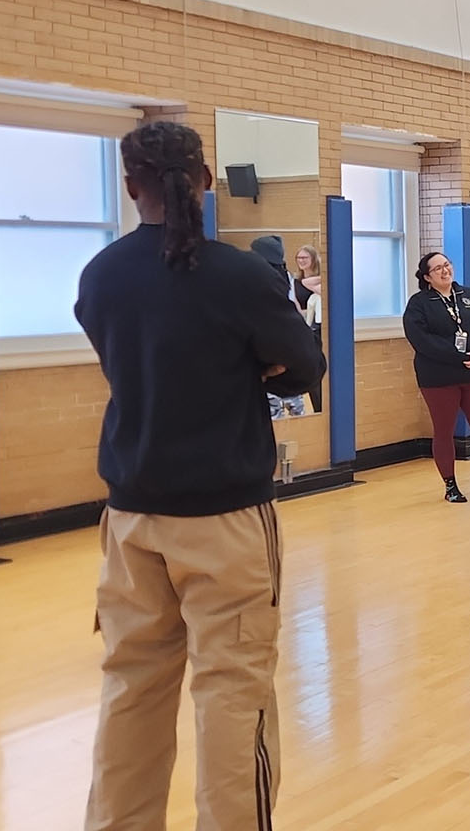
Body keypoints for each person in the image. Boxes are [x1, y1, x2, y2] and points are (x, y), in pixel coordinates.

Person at [74, 122, 326, 830]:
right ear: (206, 180)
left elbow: (126, 358)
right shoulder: (239, 275)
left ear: (131, 187)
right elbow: (304, 367)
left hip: (130, 519)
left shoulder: (101, 276)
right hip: (224, 520)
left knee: (131, 688)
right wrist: (255, 361)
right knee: (233, 692)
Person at [403, 252, 470, 503]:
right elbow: (421, 340)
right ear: (427, 277)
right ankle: (450, 485)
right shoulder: (419, 304)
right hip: (439, 376)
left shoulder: (469, 296)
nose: (445, 271)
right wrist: (456, 356)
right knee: (444, 429)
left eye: (447, 265)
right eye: (438, 268)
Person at [250, 235, 306, 419]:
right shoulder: (286, 275)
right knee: (289, 394)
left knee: (276, 395)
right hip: (285, 337)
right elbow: (294, 304)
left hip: (271, 338)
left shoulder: (263, 276)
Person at [293, 245, 324, 413]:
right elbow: (295, 301)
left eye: (305, 258)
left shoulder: (321, 279)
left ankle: (321, 406)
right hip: (303, 323)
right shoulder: (296, 281)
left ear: (313, 259)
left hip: (317, 326)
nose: (301, 261)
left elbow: (318, 291)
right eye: (299, 258)